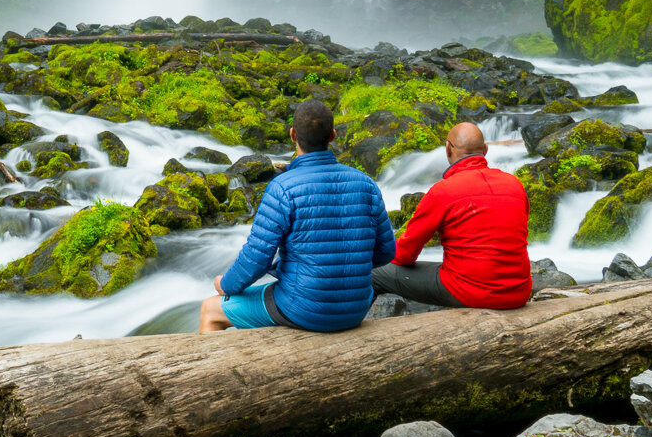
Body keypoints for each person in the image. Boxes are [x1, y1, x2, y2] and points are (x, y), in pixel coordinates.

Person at [200, 98, 393, 332]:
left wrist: (226, 285)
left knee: (210, 310)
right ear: (332, 135)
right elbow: (386, 252)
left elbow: (257, 258)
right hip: (356, 309)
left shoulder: (282, 188)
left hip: (302, 308)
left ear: (292, 134)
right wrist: (346, 266)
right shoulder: (366, 184)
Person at [373, 121, 532, 310]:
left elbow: (404, 255)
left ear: (448, 149)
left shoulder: (443, 192)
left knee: (373, 272)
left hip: (471, 293)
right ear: (486, 150)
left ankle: (356, 333)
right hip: (518, 292)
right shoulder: (514, 184)